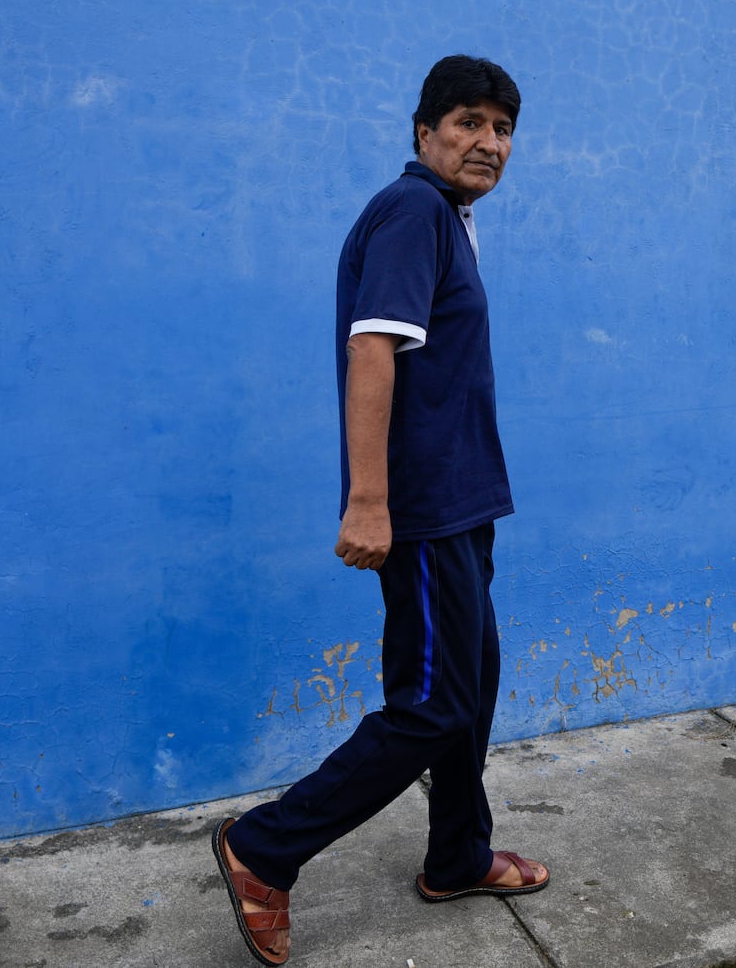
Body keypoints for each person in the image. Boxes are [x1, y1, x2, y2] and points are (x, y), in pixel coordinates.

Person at [212, 55, 548, 966]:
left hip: (463, 504)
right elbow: (373, 352)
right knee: (434, 703)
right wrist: (369, 500)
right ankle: (263, 847)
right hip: (424, 512)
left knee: (471, 684)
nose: (489, 143)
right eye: (470, 122)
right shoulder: (412, 211)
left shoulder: (447, 219)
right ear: (424, 131)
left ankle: (457, 854)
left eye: (504, 128)